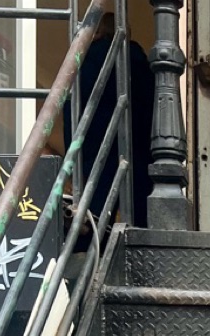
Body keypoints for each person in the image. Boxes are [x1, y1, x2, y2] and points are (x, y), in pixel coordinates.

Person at [63, 11, 155, 228]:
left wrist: (72, 157)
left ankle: (89, 246)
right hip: (134, 150)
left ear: (98, 32)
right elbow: (151, 106)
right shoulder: (137, 61)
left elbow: (71, 111)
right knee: (138, 217)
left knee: (91, 217)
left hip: (93, 152)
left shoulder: (83, 63)